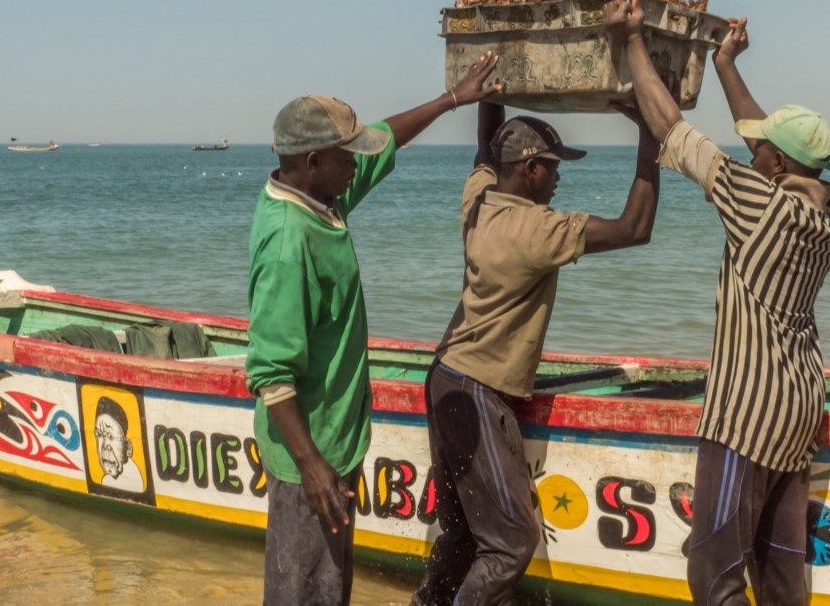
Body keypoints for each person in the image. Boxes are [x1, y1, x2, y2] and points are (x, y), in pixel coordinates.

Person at [245, 55, 501, 606]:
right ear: (313, 162)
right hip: (307, 457)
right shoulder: (290, 243)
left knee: (331, 588)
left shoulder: (323, 199)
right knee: (304, 592)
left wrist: (451, 99)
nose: (356, 165)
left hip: (336, 443)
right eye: (346, 158)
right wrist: (313, 468)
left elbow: (386, 140)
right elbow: (269, 373)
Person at [611, 2, 830, 605]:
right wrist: (723, 63)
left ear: (777, 166)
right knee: (781, 572)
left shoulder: (756, 203)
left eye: (761, 153)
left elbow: (675, 134)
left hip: (747, 415)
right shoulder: (825, 217)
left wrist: (633, 40)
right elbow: (761, 136)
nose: (751, 155)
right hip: (797, 411)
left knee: (713, 575)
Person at [411, 94, 661, 603]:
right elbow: (635, 228)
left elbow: (486, 147)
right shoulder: (538, 230)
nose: (558, 177)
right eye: (552, 167)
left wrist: (490, 92)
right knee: (511, 543)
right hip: (479, 391)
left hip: (444, 378)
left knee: (463, 535)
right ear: (527, 170)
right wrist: (650, 134)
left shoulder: (478, 201)